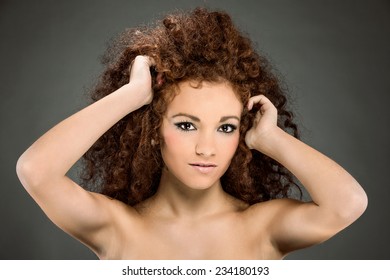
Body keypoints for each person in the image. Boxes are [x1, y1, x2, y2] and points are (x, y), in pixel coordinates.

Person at [16, 7, 367, 259]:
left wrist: (271, 138)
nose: (206, 148)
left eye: (225, 127)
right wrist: (133, 96)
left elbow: (348, 204)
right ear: (154, 130)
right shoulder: (116, 226)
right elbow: (36, 171)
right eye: (186, 125)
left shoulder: (263, 227)